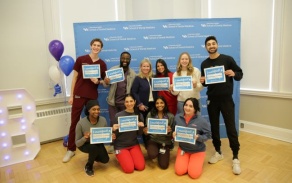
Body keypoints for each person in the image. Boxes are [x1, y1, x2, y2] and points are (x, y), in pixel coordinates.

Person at [200, 35, 243, 175]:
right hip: (212, 100)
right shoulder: (204, 64)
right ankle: (218, 152)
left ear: (217, 45)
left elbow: (240, 74)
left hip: (226, 99)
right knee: (214, 127)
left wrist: (233, 73)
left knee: (231, 127)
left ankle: (235, 157)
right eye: (208, 44)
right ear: (206, 47)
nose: (211, 46)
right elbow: (205, 83)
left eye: (213, 43)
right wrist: (202, 80)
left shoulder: (227, 59)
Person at [63, 38, 107, 163]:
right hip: (78, 95)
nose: (96, 47)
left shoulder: (102, 64)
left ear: (101, 48)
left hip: (92, 96)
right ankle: (70, 149)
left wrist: (98, 81)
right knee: (74, 122)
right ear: (90, 45)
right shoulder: (81, 59)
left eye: (98, 46)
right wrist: (71, 95)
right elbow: (74, 78)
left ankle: (97, 146)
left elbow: (105, 81)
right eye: (94, 45)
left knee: (94, 122)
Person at [103, 52, 136, 153]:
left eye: (127, 59)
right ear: (120, 59)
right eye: (123, 58)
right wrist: (106, 82)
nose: (125, 60)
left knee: (124, 125)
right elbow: (105, 85)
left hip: (126, 105)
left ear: (130, 60)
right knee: (113, 124)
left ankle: (124, 144)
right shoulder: (113, 70)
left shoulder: (132, 73)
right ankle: (112, 144)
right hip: (113, 103)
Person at [173, 97, 211, 179]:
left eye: (191, 106)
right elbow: (173, 130)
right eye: (186, 105)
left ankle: (194, 160)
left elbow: (208, 135)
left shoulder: (201, 121)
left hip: (197, 150)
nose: (187, 108)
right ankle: (187, 160)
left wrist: (199, 137)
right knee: (179, 171)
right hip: (183, 149)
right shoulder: (177, 118)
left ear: (195, 109)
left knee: (194, 174)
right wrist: (173, 134)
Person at [75, 100, 113, 176]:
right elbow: (77, 143)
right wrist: (85, 138)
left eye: (98, 109)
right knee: (93, 147)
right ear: (88, 110)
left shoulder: (103, 120)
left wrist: (110, 136)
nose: (96, 111)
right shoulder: (81, 123)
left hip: (97, 142)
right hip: (85, 144)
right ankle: (89, 166)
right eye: (94, 109)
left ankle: (94, 155)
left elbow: (105, 136)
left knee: (105, 160)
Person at [112, 94, 145, 173]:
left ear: (135, 102)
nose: (129, 103)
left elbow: (139, 134)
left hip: (133, 144)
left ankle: (129, 156)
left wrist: (141, 127)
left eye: (131, 101)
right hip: (121, 146)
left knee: (140, 167)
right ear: (124, 103)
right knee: (129, 169)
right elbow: (114, 135)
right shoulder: (118, 115)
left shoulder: (139, 115)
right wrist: (113, 130)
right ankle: (119, 155)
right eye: (127, 102)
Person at [143, 96, 174, 169]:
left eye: (161, 103)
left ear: (165, 104)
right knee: (152, 154)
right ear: (155, 105)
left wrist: (169, 132)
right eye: (157, 103)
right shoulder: (150, 114)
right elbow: (146, 131)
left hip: (164, 141)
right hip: (153, 139)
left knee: (164, 166)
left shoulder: (170, 116)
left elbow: (172, 132)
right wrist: (145, 131)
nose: (159, 105)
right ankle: (155, 152)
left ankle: (162, 153)